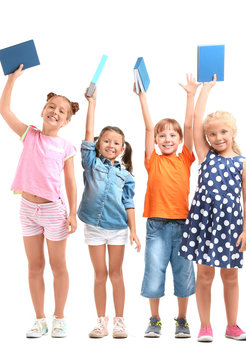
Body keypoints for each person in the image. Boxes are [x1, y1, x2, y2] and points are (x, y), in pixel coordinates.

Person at [0, 64, 79, 338]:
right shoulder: (29, 134)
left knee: (58, 266)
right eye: (52, 106)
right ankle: (39, 318)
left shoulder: (66, 147)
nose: (55, 112)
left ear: (66, 121)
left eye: (62, 111)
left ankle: (59, 317)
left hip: (54, 211)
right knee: (34, 266)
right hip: (27, 210)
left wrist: (73, 213)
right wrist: (12, 79)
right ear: (43, 110)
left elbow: (70, 182)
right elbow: (4, 110)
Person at [179, 75, 246, 342]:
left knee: (230, 276)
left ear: (233, 132)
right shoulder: (205, 154)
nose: (217, 137)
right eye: (212, 133)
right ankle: (205, 325)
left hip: (230, 225)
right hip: (204, 223)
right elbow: (193, 125)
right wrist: (204, 89)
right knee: (204, 274)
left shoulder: (243, 163)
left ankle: (232, 325)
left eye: (223, 132)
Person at [135, 74, 199, 338]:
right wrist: (142, 96)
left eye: (172, 135)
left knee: (183, 274)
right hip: (157, 226)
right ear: (157, 141)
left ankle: (182, 320)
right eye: (162, 135)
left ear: (180, 139)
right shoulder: (153, 160)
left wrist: (190, 95)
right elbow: (148, 127)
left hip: (183, 224)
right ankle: (154, 319)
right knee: (154, 272)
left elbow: (189, 124)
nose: (167, 138)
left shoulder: (185, 158)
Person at [78, 88, 141, 339]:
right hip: (93, 226)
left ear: (122, 148)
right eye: (106, 141)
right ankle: (100, 321)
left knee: (116, 273)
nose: (111, 145)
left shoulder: (125, 175)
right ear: (98, 144)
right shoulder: (91, 164)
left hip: (117, 228)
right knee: (100, 274)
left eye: (116, 143)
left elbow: (129, 204)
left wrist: (134, 232)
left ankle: (120, 321)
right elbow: (86, 135)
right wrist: (92, 104)